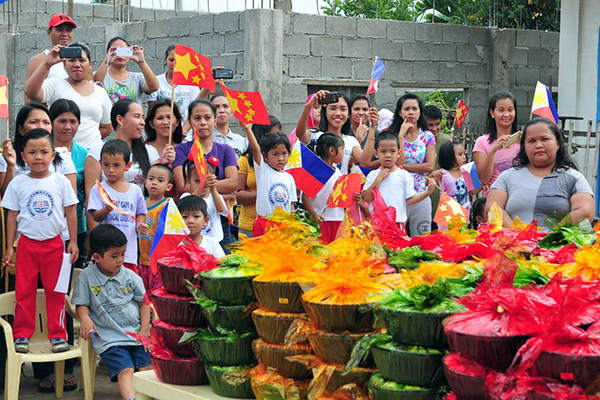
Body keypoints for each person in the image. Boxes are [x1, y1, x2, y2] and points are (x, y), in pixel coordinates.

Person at [1, 129, 78, 354]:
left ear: (53, 155)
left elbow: (71, 212)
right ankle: (22, 334)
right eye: (32, 152)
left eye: (44, 152)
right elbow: (11, 216)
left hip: (55, 244)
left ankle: (57, 335)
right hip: (26, 245)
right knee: (24, 291)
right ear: (23, 156)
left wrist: (72, 241)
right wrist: (9, 247)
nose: (38, 157)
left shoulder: (61, 181)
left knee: (56, 292)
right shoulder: (17, 184)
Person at [72, 224, 152, 400]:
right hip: (110, 338)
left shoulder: (131, 276)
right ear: (97, 257)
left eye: (123, 253)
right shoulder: (86, 277)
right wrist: (84, 319)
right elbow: (81, 304)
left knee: (148, 369)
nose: (120, 259)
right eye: (114, 256)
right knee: (126, 369)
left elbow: (144, 304)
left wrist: (145, 331)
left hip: (137, 335)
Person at [485, 117, 595, 228]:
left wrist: (550, 238)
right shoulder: (507, 176)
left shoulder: (574, 178)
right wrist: (519, 235)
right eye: (531, 141)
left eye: (545, 139)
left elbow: (585, 212)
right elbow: (491, 209)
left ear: (558, 144)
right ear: (524, 147)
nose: (538, 145)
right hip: (512, 243)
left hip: (560, 243)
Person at [172, 100, 238, 248]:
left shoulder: (225, 150)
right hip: (190, 219)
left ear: (215, 121)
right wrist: (215, 188)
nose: (202, 123)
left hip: (219, 220)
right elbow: (182, 186)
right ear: (190, 122)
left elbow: (233, 183)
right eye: (197, 118)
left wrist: (203, 187)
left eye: (207, 118)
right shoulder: (181, 150)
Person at [25, 42, 113, 150]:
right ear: (64, 65)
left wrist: (86, 145)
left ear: (90, 65)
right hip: (60, 153)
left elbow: (107, 127)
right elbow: (31, 93)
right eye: (71, 60)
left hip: (93, 155)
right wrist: (46, 64)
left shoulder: (100, 92)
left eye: (82, 60)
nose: (77, 64)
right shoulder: (54, 84)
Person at [87, 139, 148, 272]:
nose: (111, 170)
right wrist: (106, 209)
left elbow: (141, 212)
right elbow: (95, 216)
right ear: (100, 164)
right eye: (106, 165)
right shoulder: (98, 189)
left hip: (128, 254)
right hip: (105, 253)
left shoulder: (135, 190)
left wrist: (140, 225)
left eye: (116, 165)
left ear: (127, 166)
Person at [85, 100, 160, 201]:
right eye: (137, 117)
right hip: (107, 213)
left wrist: (164, 164)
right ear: (120, 119)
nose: (142, 122)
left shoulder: (150, 152)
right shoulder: (97, 151)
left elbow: (158, 190)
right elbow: (91, 197)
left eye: (143, 117)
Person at [363, 132, 435, 235]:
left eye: (392, 151)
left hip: (397, 224)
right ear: (376, 153)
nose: (388, 155)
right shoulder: (373, 175)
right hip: (376, 224)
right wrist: (379, 178)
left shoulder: (404, 175)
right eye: (383, 151)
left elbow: (410, 200)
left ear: (399, 153)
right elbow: (367, 198)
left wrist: (427, 193)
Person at [387, 93, 436, 236]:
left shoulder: (427, 136)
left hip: (420, 191)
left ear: (420, 112)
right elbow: (396, 161)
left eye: (414, 108)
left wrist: (403, 167)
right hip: (396, 193)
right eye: (406, 109)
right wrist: (400, 136)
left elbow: (429, 166)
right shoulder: (392, 135)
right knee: (394, 238)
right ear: (400, 112)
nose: (410, 112)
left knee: (422, 237)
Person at [1, 103, 76, 196]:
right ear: (21, 129)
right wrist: (11, 166)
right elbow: (7, 199)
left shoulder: (64, 158)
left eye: (46, 122)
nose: (41, 126)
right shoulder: (7, 157)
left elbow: (71, 202)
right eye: (34, 122)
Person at [296, 91, 376, 174]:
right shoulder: (314, 135)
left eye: (343, 109)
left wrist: (372, 128)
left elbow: (364, 162)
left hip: (340, 186)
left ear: (348, 114)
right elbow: (300, 133)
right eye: (333, 108)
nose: (338, 113)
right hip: (316, 186)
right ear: (325, 111)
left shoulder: (351, 141)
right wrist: (308, 106)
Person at [242, 121, 296, 237]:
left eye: (284, 153)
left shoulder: (289, 178)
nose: (280, 158)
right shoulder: (263, 170)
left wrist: (293, 225)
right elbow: (256, 149)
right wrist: (248, 129)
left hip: (284, 226)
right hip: (264, 224)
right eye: (275, 154)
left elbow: (291, 205)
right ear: (265, 156)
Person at [237, 116, 281, 237]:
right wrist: (265, 194)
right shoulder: (244, 161)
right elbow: (239, 196)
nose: (276, 140)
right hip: (250, 226)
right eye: (272, 136)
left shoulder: (282, 164)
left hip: (277, 227)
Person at [473, 91, 520, 196]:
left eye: (510, 110)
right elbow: (484, 180)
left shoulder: (524, 141)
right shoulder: (482, 142)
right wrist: (493, 151)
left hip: (519, 199)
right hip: (493, 201)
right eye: (501, 110)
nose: (506, 114)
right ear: (492, 113)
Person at [25, 13, 77, 103]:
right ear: (49, 32)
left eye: (69, 30)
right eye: (59, 30)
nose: (65, 34)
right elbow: (30, 98)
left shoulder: (79, 60)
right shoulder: (39, 60)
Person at [303, 133, 344, 244]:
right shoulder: (317, 171)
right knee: (322, 255)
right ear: (332, 150)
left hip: (338, 219)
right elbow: (305, 197)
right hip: (322, 220)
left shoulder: (337, 171)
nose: (343, 154)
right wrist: (314, 215)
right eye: (342, 150)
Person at [94, 36, 159, 104]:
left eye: (124, 51)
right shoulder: (100, 75)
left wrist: (141, 62)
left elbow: (154, 87)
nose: (120, 55)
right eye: (115, 51)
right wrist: (106, 62)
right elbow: (95, 84)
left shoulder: (137, 78)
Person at [147, 44, 200, 128]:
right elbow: (152, 111)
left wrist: (183, 131)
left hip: (185, 136)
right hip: (161, 134)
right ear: (165, 60)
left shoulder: (191, 85)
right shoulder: (156, 82)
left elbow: (195, 112)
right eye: (171, 60)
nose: (175, 64)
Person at [138, 164, 173, 290]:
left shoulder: (167, 205)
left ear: (168, 187)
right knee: (143, 294)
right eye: (151, 179)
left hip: (159, 262)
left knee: (157, 294)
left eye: (160, 180)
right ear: (145, 182)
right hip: (141, 260)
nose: (154, 183)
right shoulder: (139, 203)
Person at [183, 160, 227, 244]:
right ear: (189, 181)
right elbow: (188, 204)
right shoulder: (186, 197)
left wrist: (213, 189)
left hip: (215, 242)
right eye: (197, 181)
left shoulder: (215, 196)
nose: (203, 185)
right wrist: (200, 187)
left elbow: (222, 210)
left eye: (206, 181)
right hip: (193, 242)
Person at [437, 141, 477, 215]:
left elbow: (471, 191)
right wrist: (432, 175)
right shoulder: (443, 174)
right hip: (447, 215)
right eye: (460, 154)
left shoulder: (465, 172)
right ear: (449, 156)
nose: (464, 156)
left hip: (464, 213)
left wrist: (482, 185)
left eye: (464, 153)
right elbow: (427, 182)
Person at [144, 99, 179, 165]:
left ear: (177, 122)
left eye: (169, 117)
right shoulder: (143, 150)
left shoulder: (185, 149)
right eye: (160, 118)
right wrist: (163, 163)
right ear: (151, 124)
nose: (165, 122)